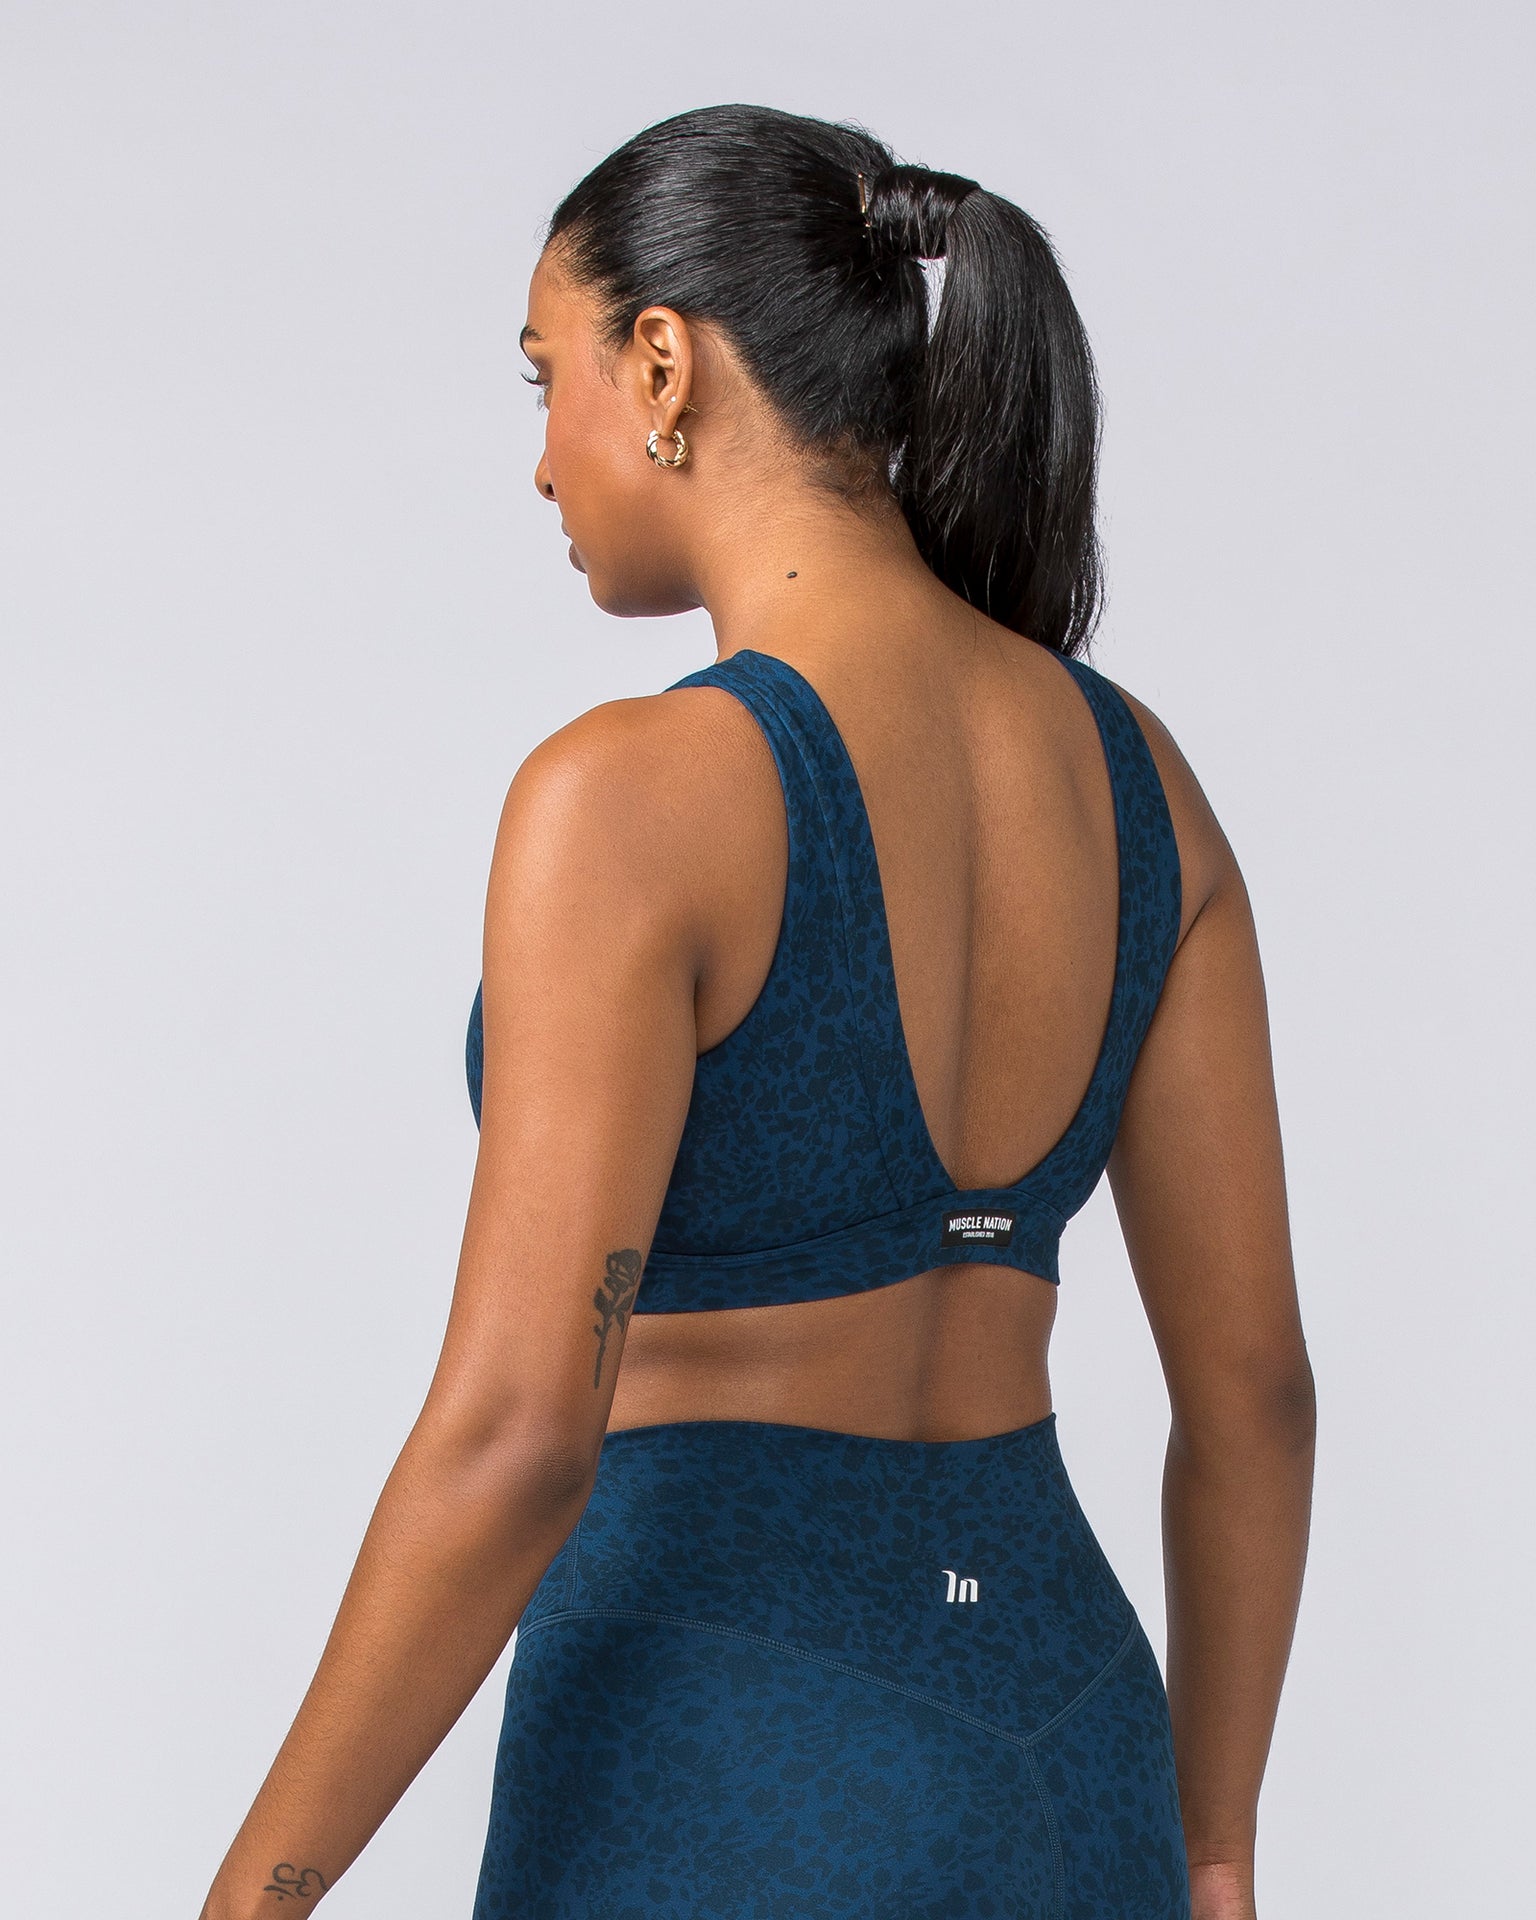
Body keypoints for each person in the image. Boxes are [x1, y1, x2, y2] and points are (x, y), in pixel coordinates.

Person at [198, 104, 1314, 1920]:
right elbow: (1255, 1393)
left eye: (545, 374)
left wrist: (253, 1896)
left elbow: (517, 1436)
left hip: (720, 1759)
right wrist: (1214, 1846)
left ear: (663, 365)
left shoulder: (631, 802)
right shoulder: (1144, 789)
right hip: (1071, 1746)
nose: (540, 462)